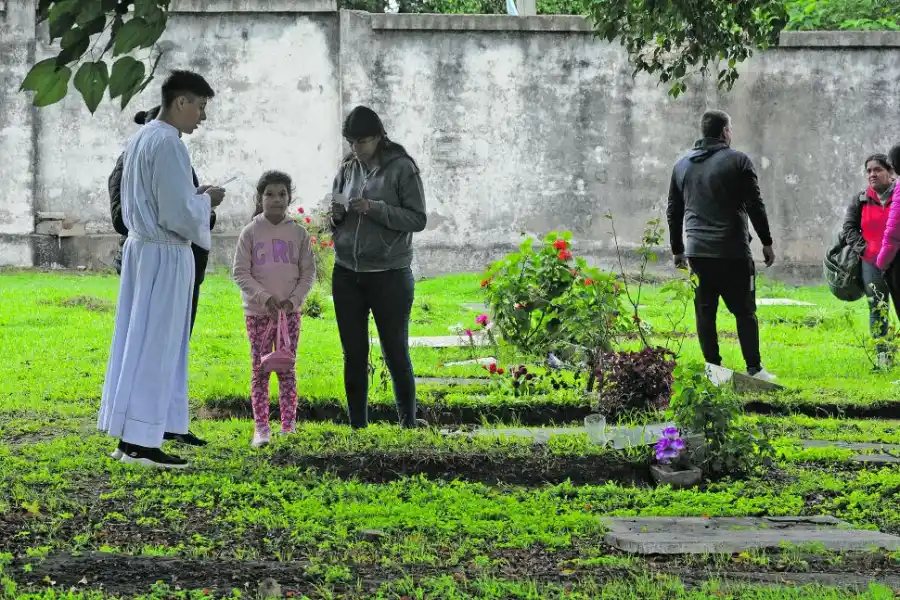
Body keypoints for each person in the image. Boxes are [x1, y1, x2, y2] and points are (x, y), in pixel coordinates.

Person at [98, 70, 226, 468]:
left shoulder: (140, 138)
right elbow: (176, 213)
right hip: (164, 253)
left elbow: (158, 199)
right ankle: (139, 442)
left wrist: (192, 198)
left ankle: (140, 432)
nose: (202, 118)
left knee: (145, 342)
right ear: (181, 102)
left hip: (145, 250)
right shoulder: (169, 144)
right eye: (200, 107)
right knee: (157, 344)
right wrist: (207, 201)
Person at [327, 106, 427, 429]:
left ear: (379, 137)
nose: (357, 149)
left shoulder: (402, 169)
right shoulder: (347, 167)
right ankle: (358, 426)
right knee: (353, 354)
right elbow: (335, 214)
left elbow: (417, 218)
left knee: (395, 352)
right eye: (352, 142)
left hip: (389, 275)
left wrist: (374, 208)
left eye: (363, 142)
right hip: (347, 273)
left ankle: (408, 424)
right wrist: (336, 217)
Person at [666, 109, 777, 382]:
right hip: (732, 251)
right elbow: (755, 204)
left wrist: (678, 249)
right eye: (730, 129)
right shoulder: (738, 161)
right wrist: (766, 241)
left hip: (697, 252)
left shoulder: (681, 165)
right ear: (725, 131)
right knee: (745, 310)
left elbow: (673, 210)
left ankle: (713, 369)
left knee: (705, 311)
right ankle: (754, 368)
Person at [109, 106, 217, 335]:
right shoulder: (130, 161)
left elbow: (185, 204)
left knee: (176, 337)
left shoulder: (175, 155)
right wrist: (200, 206)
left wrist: (203, 203)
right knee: (150, 336)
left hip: (185, 262)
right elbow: (121, 218)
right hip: (151, 263)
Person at [233, 170, 316, 447]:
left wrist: (293, 301)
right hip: (258, 315)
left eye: (282, 194)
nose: (276, 200)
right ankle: (261, 428)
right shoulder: (250, 233)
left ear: (289, 197)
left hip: (289, 315)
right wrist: (264, 298)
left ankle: (288, 425)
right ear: (260, 197)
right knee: (260, 370)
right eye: (270, 194)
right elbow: (240, 273)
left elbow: (308, 273)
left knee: (286, 368)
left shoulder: (299, 234)